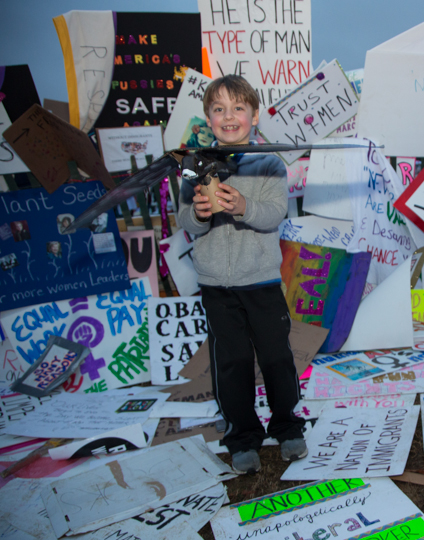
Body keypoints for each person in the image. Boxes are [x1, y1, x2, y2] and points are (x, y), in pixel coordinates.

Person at [176, 74, 306, 474]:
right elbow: (184, 218)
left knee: (276, 357)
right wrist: (198, 214)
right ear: (207, 118)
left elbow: (273, 215)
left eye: (238, 108)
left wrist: (242, 205)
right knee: (229, 362)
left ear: (253, 115)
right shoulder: (191, 165)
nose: (228, 116)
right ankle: (241, 437)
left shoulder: (269, 162)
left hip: (262, 282)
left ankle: (287, 427)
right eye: (219, 109)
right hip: (217, 287)